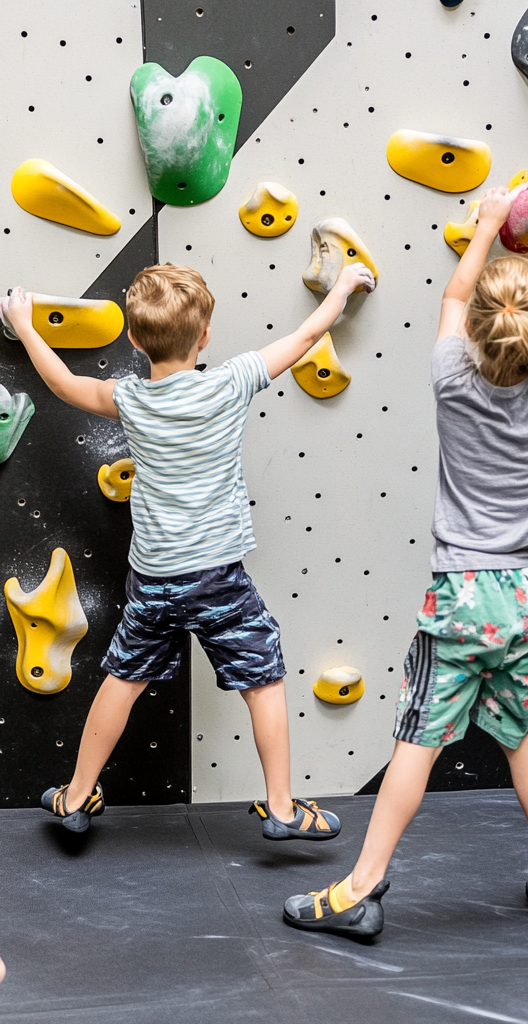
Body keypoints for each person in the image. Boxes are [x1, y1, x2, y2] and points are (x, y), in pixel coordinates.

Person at [282, 174, 528, 940]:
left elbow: (455, 298)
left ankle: (361, 888)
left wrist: (486, 223)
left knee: (415, 743)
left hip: (462, 598)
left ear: (478, 331)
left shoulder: (451, 377)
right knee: (521, 736)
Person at [2, 259, 376, 839]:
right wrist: (345, 286)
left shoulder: (130, 399)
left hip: (154, 579)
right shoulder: (231, 382)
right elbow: (306, 337)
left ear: (133, 339)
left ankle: (75, 797)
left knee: (123, 679)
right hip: (217, 577)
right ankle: (281, 808)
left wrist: (26, 325)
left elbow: (62, 384)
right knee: (263, 679)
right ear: (204, 336)